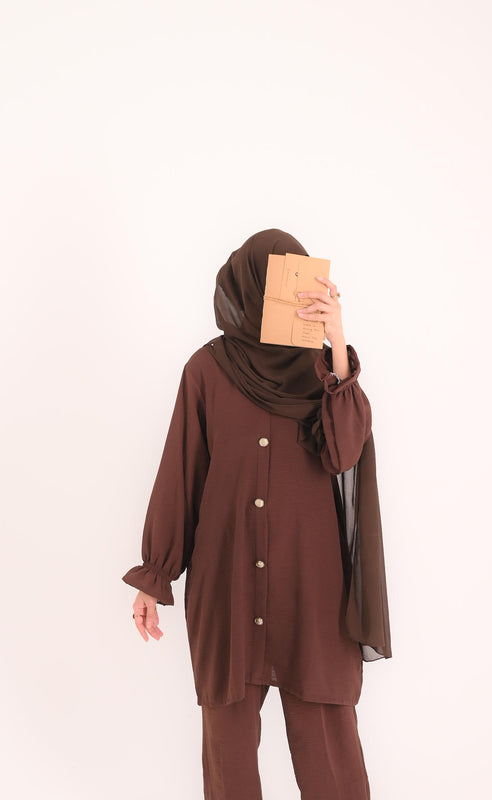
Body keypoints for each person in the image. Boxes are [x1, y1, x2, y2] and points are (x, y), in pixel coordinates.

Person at [122, 228, 392, 799]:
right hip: (228, 586)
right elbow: (181, 475)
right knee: (230, 765)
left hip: (311, 591)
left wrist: (337, 343)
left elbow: (345, 453)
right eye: (272, 287)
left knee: (331, 761)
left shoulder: (327, 376)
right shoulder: (207, 370)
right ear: (246, 290)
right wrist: (154, 575)